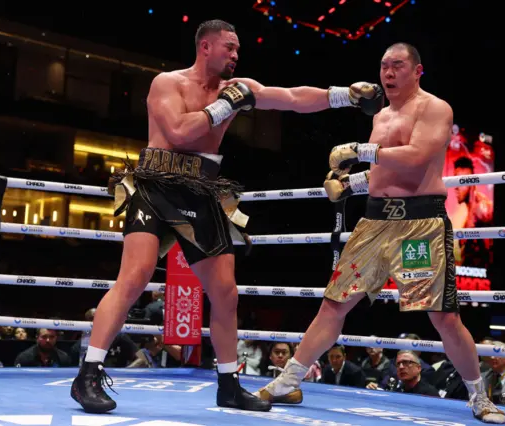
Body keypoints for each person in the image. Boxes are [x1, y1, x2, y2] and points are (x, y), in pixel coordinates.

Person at [70, 19, 383, 414]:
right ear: (205, 47)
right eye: (229, 48)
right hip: (155, 187)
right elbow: (181, 131)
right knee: (134, 277)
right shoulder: (168, 84)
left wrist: (345, 96)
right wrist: (227, 104)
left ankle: (228, 384)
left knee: (226, 293)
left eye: (238, 49)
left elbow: (290, 97)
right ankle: (88, 375)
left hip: (202, 192)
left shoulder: (238, 89)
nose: (236, 55)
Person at [254, 42, 505, 424]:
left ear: (417, 71)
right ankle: (288, 382)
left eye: (398, 66)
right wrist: (353, 183)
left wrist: (358, 150)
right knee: (333, 305)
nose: (388, 73)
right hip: (374, 223)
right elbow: (387, 173)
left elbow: (417, 157)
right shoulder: (382, 116)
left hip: (419, 225)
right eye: (384, 66)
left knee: (443, 318)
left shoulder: (435, 108)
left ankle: (479, 397)